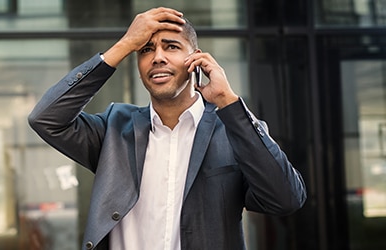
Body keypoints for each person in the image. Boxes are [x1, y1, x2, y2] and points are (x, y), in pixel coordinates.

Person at [28, 7, 307, 250]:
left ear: (196, 59)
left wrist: (227, 101)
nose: (157, 57)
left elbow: (286, 199)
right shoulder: (114, 130)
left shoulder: (233, 132)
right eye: (146, 50)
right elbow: (46, 118)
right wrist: (125, 44)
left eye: (171, 47)